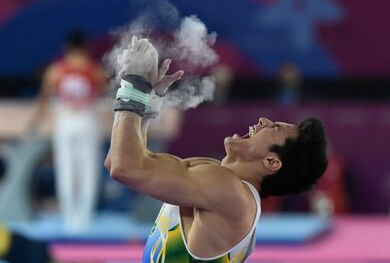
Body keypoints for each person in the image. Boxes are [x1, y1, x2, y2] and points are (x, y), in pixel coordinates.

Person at [105, 37, 328, 262]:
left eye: (275, 128)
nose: (263, 120)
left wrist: (134, 85)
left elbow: (125, 168)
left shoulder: (228, 190)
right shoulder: (214, 174)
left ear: (271, 162)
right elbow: (117, 160)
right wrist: (148, 105)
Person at [30, 31, 107, 234]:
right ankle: (84, 220)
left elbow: (43, 100)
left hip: (65, 121)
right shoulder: (95, 70)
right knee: (88, 170)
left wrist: (33, 124)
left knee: (66, 168)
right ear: (86, 47)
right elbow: (106, 94)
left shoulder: (56, 70)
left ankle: (69, 219)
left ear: (67, 47)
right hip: (87, 120)